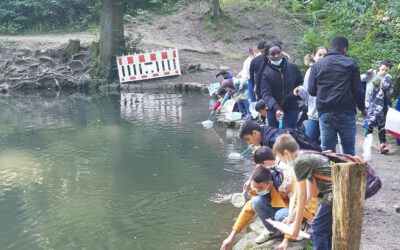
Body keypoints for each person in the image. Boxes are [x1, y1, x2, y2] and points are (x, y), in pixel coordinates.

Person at [272, 134, 333, 250]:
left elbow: (302, 196)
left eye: (281, 158)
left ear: (286, 154)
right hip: (333, 191)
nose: (283, 162)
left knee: (318, 226)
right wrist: (292, 216)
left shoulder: (299, 163)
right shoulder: (305, 156)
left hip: (335, 192)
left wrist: (295, 229)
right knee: (324, 227)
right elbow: (311, 194)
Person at [308, 36, 366, 156]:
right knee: (348, 149)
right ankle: (348, 173)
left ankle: (330, 173)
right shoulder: (351, 63)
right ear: (345, 49)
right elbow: (357, 90)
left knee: (327, 150)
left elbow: (312, 91)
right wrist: (362, 108)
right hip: (346, 112)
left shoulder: (318, 65)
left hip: (325, 112)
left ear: (330, 48)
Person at [260, 42, 304, 129]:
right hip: (273, 109)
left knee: (288, 134)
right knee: (275, 136)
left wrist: (298, 90)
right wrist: (276, 108)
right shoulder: (265, 72)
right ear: (267, 56)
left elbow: (301, 82)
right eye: (272, 54)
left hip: (291, 107)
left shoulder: (292, 67)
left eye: (278, 53)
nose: (276, 56)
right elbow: (266, 94)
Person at [294, 47, 328, 143]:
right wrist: (299, 90)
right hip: (313, 114)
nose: (322, 57)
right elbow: (306, 93)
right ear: (314, 56)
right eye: (319, 55)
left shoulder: (331, 70)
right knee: (309, 144)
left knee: (326, 147)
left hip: (327, 115)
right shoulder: (310, 71)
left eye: (324, 55)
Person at [364, 60, 393, 154]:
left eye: (386, 70)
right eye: (382, 69)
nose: (384, 72)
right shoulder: (372, 75)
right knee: (370, 124)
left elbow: (390, 91)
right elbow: (360, 79)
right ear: (379, 67)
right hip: (370, 104)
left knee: (382, 125)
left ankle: (382, 145)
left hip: (383, 105)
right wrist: (367, 74)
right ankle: (367, 143)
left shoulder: (388, 78)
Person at [239, 120, 321, 151]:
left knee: (331, 162)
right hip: (310, 150)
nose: (249, 143)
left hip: (310, 156)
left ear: (254, 133)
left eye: (248, 139)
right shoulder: (264, 130)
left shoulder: (271, 141)